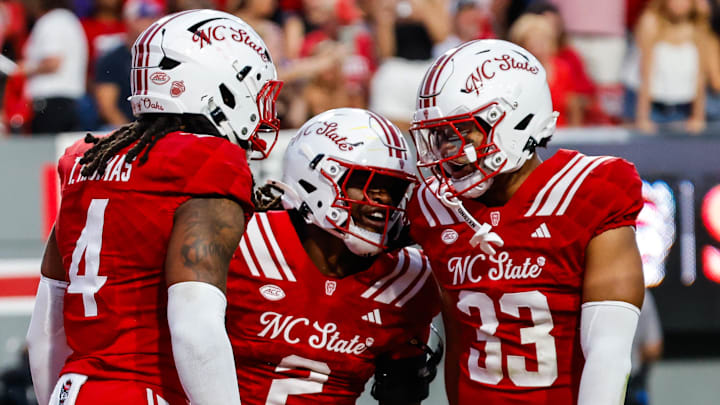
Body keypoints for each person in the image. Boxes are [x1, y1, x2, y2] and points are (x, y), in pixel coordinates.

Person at [25, 9, 283, 405]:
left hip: (74, 390)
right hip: (147, 392)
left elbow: (44, 331)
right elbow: (194, 326)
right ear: (217, 86)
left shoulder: (85, 161)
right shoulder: (208, 161)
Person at [406, 39, 645, 404]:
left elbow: (608, 350)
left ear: (516, 118)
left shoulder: (590, 190)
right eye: (440, 136)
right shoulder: (433, 207)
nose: (448, 151)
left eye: (462, 131)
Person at [227, 107, 442, 404]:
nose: (384, 199)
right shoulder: (244, 240)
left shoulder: (408, 279)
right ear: (316, 176)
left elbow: (402, 392)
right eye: (367, 182)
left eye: (394, 188)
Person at [18, 0, 87, 134]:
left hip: (50, 104)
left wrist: (22, 68)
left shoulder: (52, 21)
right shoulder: (68, 20)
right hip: (69, 103)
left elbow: (53, 62)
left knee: (44, 153)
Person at [94, 0, 164, 128]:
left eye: (155, 17)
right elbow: (107, 107)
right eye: (144, 18)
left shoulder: (165, 55)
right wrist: (132, 133)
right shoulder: (113, 58)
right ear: (128, 20)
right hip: (124, 127)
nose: (151, 23)